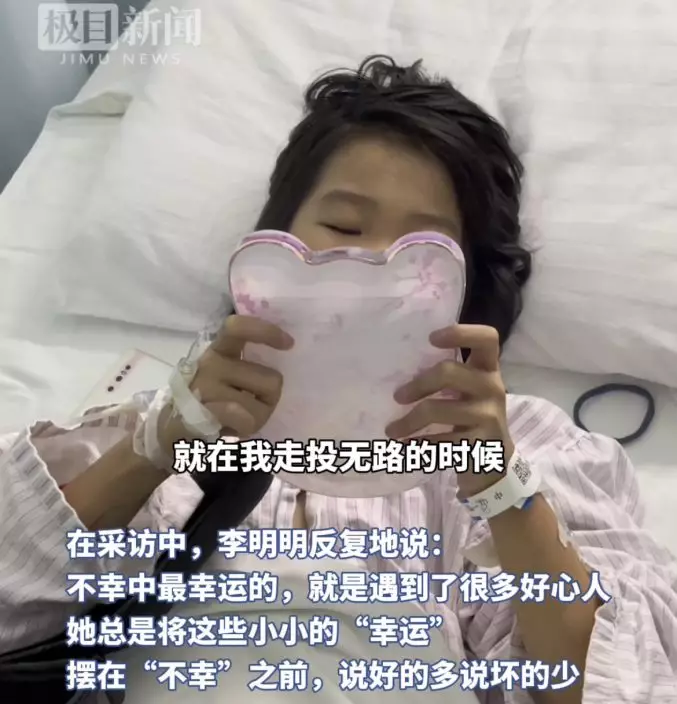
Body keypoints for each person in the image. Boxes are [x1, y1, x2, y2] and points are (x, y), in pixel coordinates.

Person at [1, 55, 676, 704]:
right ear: (276, 244)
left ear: (465, 280)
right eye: (343, 225)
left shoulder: (529, 445)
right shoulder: (167, 424)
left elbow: (619, 686)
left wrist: (501, 490)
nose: (372, 267)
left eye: (421, 247)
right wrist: (153, 449)